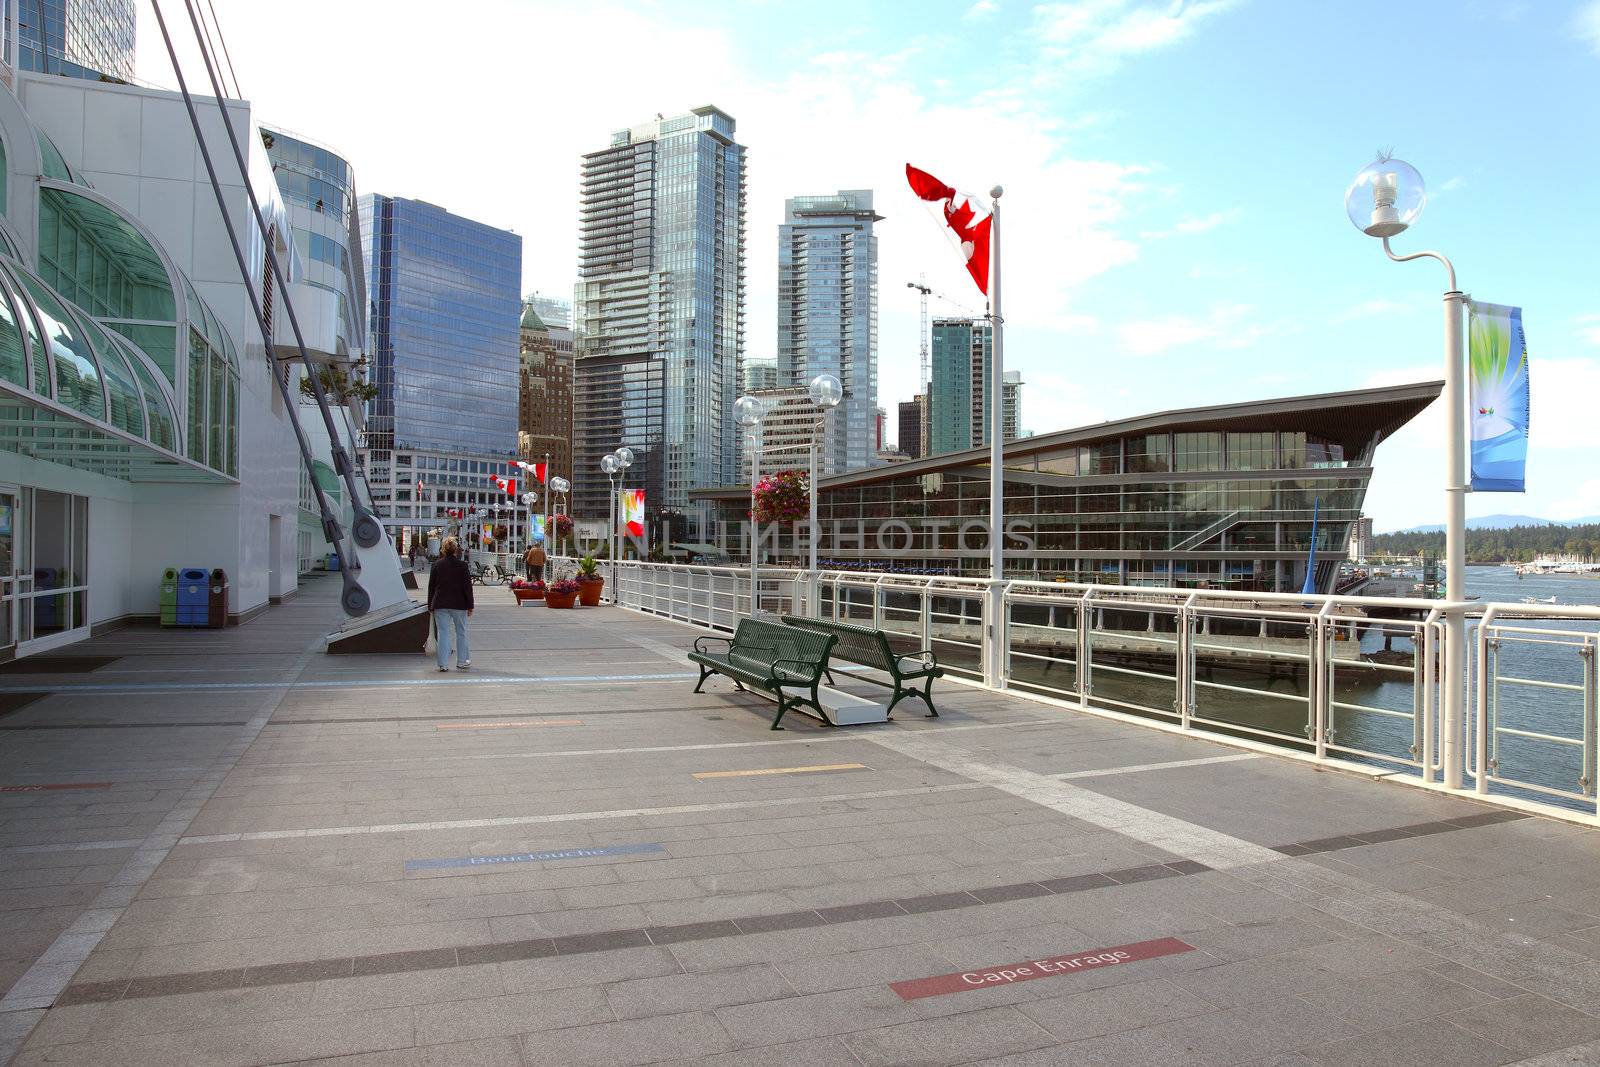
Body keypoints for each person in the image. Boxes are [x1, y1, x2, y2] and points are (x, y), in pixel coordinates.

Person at [426, 536, 473, 672]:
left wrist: (431, 605)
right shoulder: (462, 566)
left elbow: (431, 587)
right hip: (459, 604)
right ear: (456, 550)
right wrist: (470, 605)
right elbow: (467, 587)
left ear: (443, 550)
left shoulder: (436, 565)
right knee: (461, 632)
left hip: (440, 603)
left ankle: (443, 663)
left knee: (443, 633)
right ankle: (462, 661)